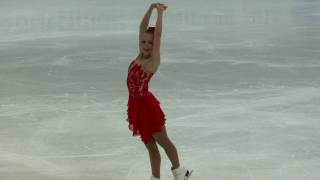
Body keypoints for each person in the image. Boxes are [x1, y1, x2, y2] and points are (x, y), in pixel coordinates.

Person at [126, 3, 193, 180]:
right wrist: (150, 8)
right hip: (136, 108)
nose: (147, 45)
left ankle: (180, 172)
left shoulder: (152, 60)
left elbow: (158, 35)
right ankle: (155, 178)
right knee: (151, 148)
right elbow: (142, 28)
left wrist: (160, 14)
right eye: (143, 42)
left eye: (150, 43)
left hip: (148, 109)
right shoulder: (139, 56)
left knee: (165, 143)